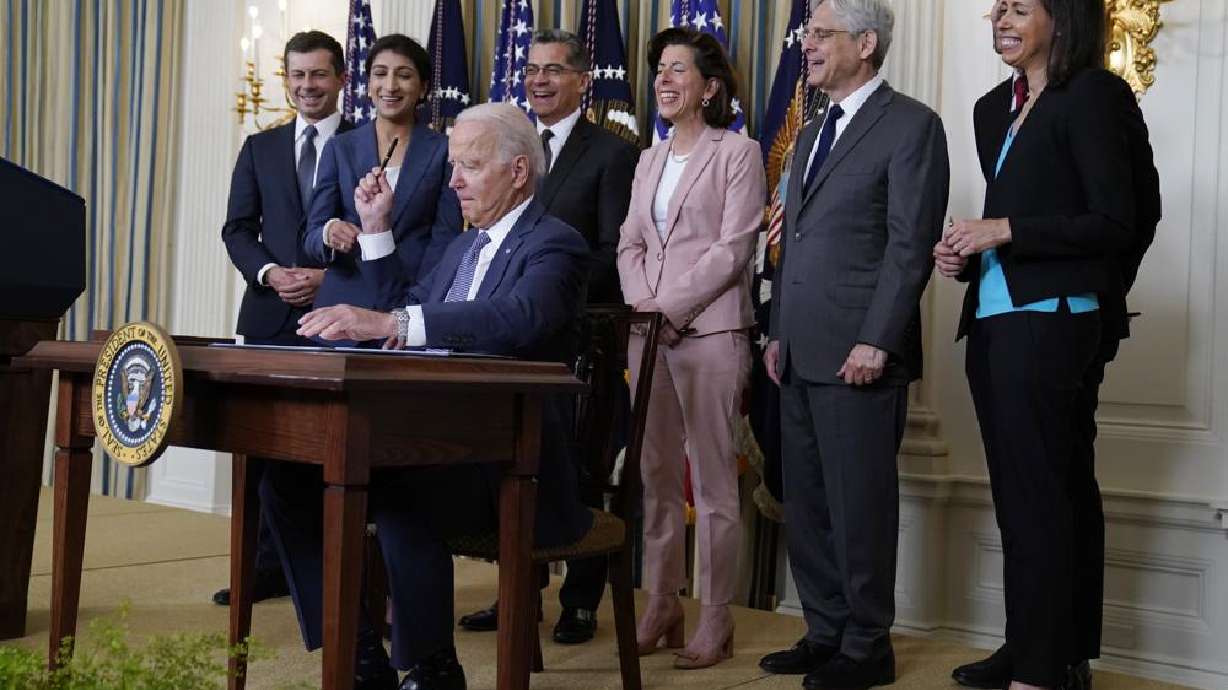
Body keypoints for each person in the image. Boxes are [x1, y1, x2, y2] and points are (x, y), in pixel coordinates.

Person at [263, 102, 593, 690]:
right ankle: (359, 651)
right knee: (285, 481)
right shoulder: (462, 247)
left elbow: (514, 319)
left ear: (518, 171)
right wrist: (377, 227)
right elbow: (405, 304)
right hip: (440, 448)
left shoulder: (556, 244)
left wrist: (389, 325)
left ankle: (431, 665)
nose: (454, 180)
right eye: (453, 166)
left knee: (396, 488)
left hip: (515, 470)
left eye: (469, 165)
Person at [935, 1, 1157, 689]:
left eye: (1018, 7)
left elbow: (1122, 218)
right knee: (1022, 496)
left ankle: (1049, 664)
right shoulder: (988, 109)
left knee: (1048, 496)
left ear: (1062, 18)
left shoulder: (1093, 94)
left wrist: (1002, 231)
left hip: (1056, 322)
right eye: (995, 8)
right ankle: (1039, 648)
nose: (999, 17)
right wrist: (966, 255)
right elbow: (1024, 215)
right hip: (997, 322)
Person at [757, 0, 949, 687]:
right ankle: (826, 630)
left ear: (865, 44)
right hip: (799, 349)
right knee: (806, 502)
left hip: (861, 355)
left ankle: (868, 645)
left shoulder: (912, 126)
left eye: (820, 33)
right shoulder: (809, 135)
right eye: (807, 32)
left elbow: (908, 247)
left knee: (859, 504)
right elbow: (794, 245)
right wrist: (776, 333)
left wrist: (877, 340)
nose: (806, 44)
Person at [455, 28, 639, 646]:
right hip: (507, 342)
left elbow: (616, 249)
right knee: (508, 465)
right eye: (531, 69)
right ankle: (519, 598)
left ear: (583, 81)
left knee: (575, 469)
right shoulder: (504, 144)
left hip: (576, 340)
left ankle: (580, 602)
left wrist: (549, 283)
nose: (539, 79)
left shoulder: (612, 154)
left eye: (554, 70)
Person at [616, 26, 765, 671]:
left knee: (711, 484)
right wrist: (645, 308)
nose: (664, 81)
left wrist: (669, 307)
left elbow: (733, 249)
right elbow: (629, 244)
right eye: (660, 71)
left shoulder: (739, 152)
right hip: (645, 338)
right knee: (652, 479)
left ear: (709, 87)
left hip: (710, 334)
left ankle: (715, 617)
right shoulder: (648, 159)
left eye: (679, 70)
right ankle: (661, 605)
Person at [217, 30, 352, 608]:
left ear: (341, 78)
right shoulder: (260, 147)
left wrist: (325, 280)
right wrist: (271, 273)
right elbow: (236, 230)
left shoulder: (367, 143)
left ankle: (335, 573)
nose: (306, 86)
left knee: (330, 447)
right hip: (268, 314)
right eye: (297, 76)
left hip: (340, 314)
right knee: (262, 446)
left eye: (318, 75)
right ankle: (263, 567)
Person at [301, 33, 460, 345]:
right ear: (368, 84)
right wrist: (330, 232)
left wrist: (411, 311)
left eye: (403, 75)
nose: (390, 86)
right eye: (380, 74)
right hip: (340, 312)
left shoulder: (445, 151)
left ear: (423, 87)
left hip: (409, 307)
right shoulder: (340, 147)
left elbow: (444, 241)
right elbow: (312, 234)